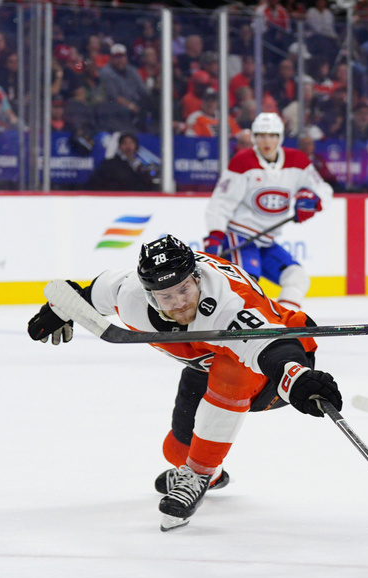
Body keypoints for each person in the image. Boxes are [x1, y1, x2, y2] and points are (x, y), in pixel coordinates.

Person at [27, 235, 342, 531]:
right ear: (148, 294)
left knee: (230, 368)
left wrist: (296, 377)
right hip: (206, 364)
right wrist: (65, 307)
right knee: (177, 450)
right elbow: (95, 292)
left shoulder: (226, 303)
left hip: (278, 360)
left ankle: (199, 475)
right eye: (165, 296)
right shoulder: (130, 295)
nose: (178, 302)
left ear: (198, 278)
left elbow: (267, 346)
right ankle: (211, 474)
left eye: (185, 290)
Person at [203, 112, 332, 311]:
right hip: (240, 238)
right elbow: (221, 202)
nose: (267, 141)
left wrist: (313, 200)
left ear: (279, 137)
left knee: (297, 278)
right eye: (261, 135)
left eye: (272, 135)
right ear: (254, 137)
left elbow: (324, 189)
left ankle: (283, 323)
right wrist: (214, 235)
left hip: (266, 241)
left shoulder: (297, 160)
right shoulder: (243, 161)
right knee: (249, 286)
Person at [84, 132, 155, 192]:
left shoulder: (140, 166)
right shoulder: (110, 164)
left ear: (136, 145)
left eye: (131, 142)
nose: (128, 146)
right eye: (125, 143)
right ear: (119, 146)